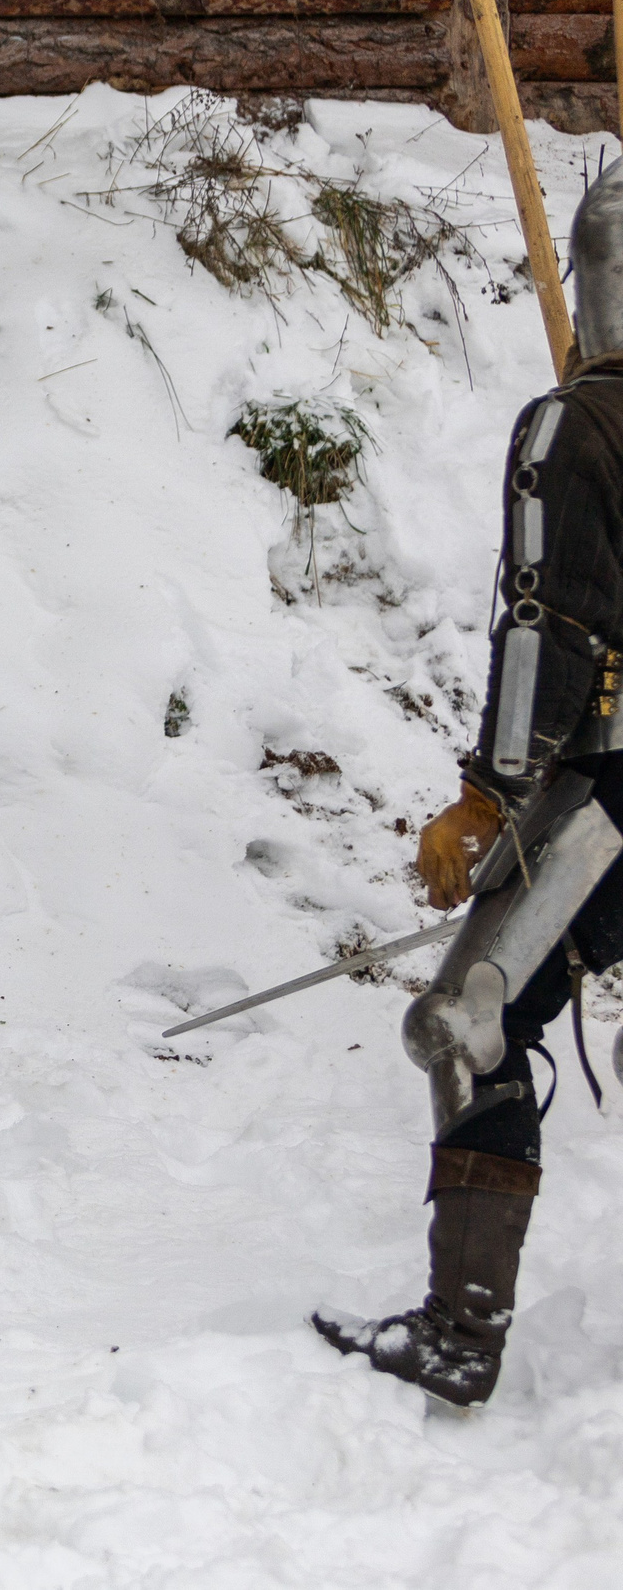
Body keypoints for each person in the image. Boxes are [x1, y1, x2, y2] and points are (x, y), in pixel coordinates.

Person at [314, 164, 623, 1408]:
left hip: (610, 797)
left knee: (459, 1023)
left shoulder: (578, 424)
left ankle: (458, 1335)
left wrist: (490, 794)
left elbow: (552, 627)